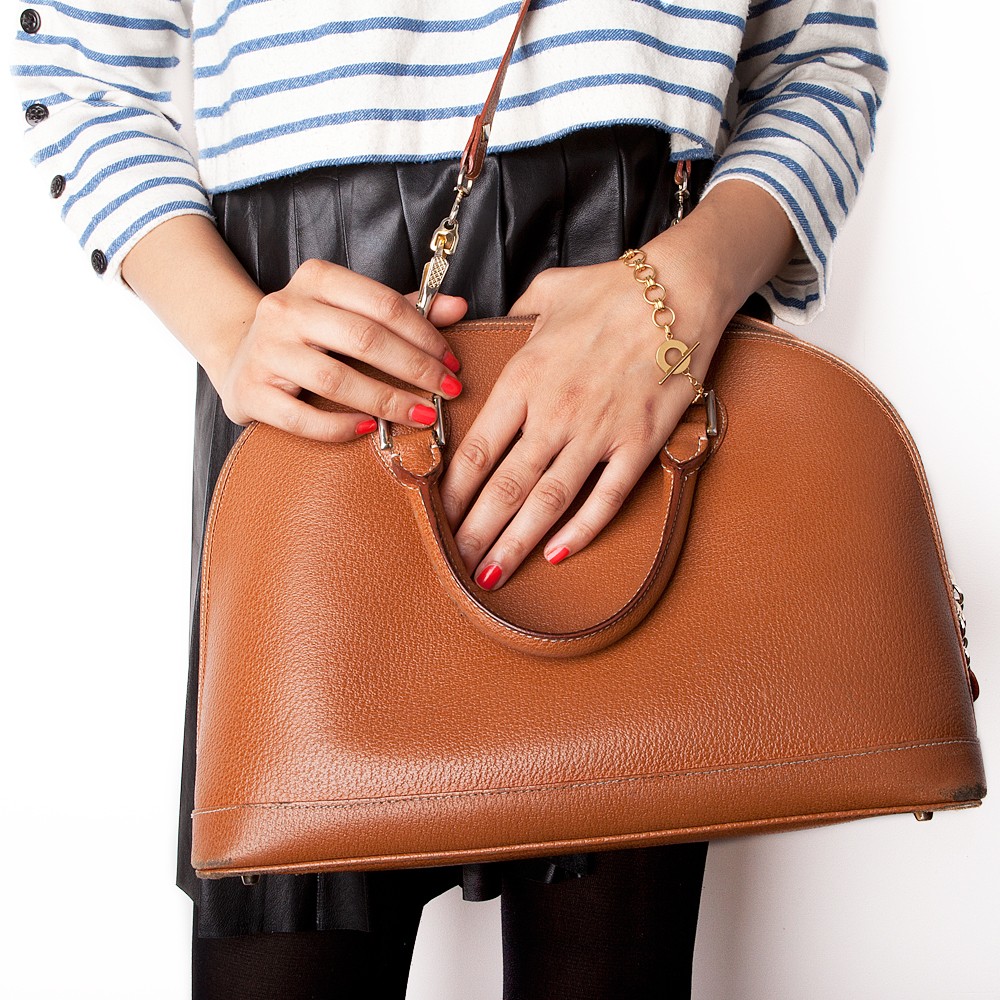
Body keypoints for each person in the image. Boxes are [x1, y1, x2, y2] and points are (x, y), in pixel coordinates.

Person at [12, 2, 887, 998]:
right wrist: (228, 327)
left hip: (631, 335)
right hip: (318, 340)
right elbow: (75, 70)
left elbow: (822, 58)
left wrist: (688, 283)